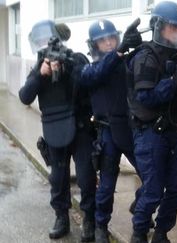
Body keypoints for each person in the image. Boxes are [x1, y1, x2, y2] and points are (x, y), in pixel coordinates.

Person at [125, 1, 177, 242]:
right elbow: (146, 97)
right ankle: (139, 232)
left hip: (171, 129)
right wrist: (174, 81)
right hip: (149, 132)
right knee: (152, 191)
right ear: (159, 27)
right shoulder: (146, 56)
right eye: (172, 27)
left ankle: (161, 232)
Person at [19, 20, 97, 242]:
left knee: (86, 176)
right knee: (58, 178)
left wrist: (68, 67)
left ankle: (89, 219)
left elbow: (89, 82)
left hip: (81, 128)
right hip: (55, 130)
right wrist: (40, 74)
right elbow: (25, 96)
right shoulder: (39, 65)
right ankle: (61, 217)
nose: (47, 45)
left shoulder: (77, 58)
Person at [79, 19, 143, 243]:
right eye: (103, 40)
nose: (108, 43)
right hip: (107, 132)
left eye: (112, 38)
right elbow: (96, 74)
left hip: (131, 129)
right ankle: (100, 226)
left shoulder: (124, 60)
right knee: (106, 185)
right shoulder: (90, 67)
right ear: (94, 44)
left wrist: (139, 45)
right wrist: (120, 51)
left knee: (151, 176)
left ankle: (141, 207)